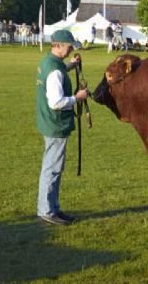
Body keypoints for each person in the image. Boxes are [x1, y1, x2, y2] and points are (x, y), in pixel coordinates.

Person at [36, 30, 88, 225]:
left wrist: (71, 65)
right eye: (68, 46)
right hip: (56, 123)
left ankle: (52, 208)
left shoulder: (48, 62)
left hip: (48, 121)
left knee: (52, 166)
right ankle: (47, 211)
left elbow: (56, 73)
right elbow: (56, 101)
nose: (71, 49)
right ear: (57, 45)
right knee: (53, 168)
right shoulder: (55, 71)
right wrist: (78, 98)